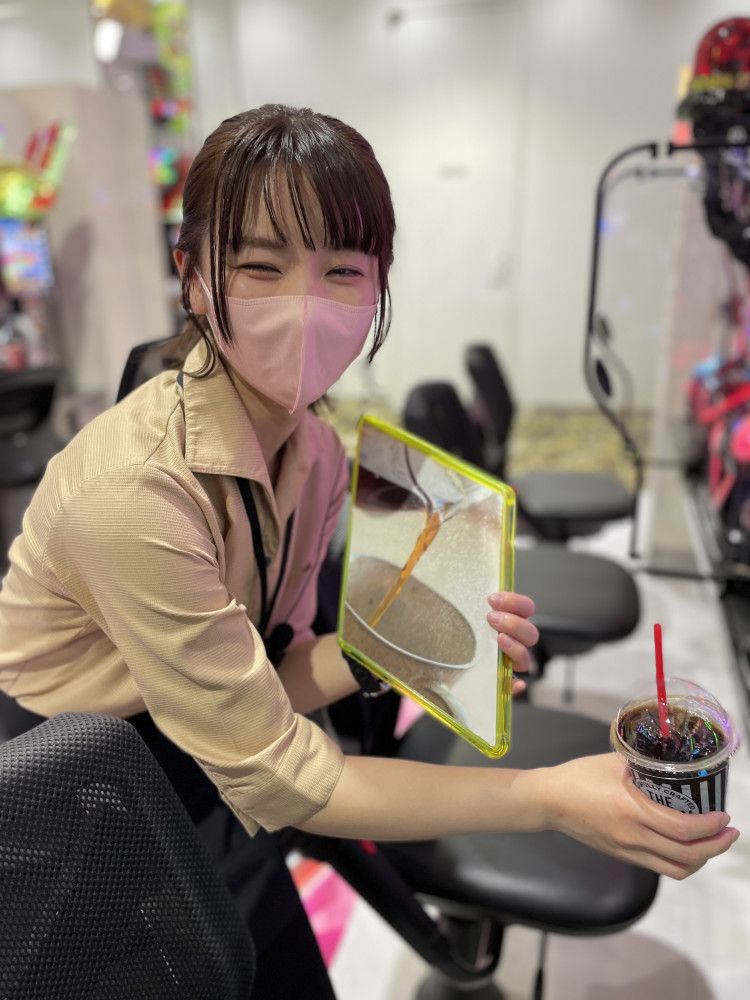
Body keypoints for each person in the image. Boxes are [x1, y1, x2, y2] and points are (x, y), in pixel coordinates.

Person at [0, 105, 739, 996]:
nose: (305, 306)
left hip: (210, 753)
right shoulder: (130, 493)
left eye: (342, 270)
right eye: (261, 267)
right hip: (77, 802)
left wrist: (408, 644)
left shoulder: (315, 453)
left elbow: (271, 681)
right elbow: (282, 772)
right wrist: (545, 798)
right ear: (192, 278)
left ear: (378, 285)